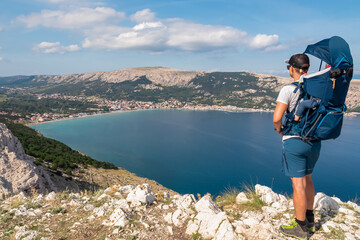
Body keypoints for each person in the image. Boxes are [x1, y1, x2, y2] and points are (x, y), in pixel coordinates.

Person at [273, 53, 320, 240]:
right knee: (308, 180)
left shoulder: (288, 90)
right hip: (314, 142)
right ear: (306, 69)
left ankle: (300, 228)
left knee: (298, 184)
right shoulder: (317, 89)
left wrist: (279, 130)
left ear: (292, 68)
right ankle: (310, 220)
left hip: (295, 141)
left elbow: (277, 118)